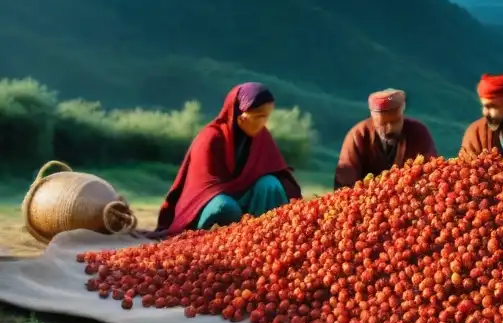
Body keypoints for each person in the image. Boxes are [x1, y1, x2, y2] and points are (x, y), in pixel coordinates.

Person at [154, 83, 302, 235]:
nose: (264, 122)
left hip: (245, 200)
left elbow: (277, 172)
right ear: (240, 114)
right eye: (259, 116)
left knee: (271, 184)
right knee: (225, 207)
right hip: (210, 201)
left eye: (267, 116)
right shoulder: (211, 137)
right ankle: (214, 238)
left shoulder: (262, 137)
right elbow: (204, 189)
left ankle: (263, 234)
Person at [334, 88, 438, 189]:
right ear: (373, 119)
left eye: (395, 122)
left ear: (402, 115)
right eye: (382, 124)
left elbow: (432, 173)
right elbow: (345, 182)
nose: (389, 129)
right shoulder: (357, 136)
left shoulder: (419, 133)